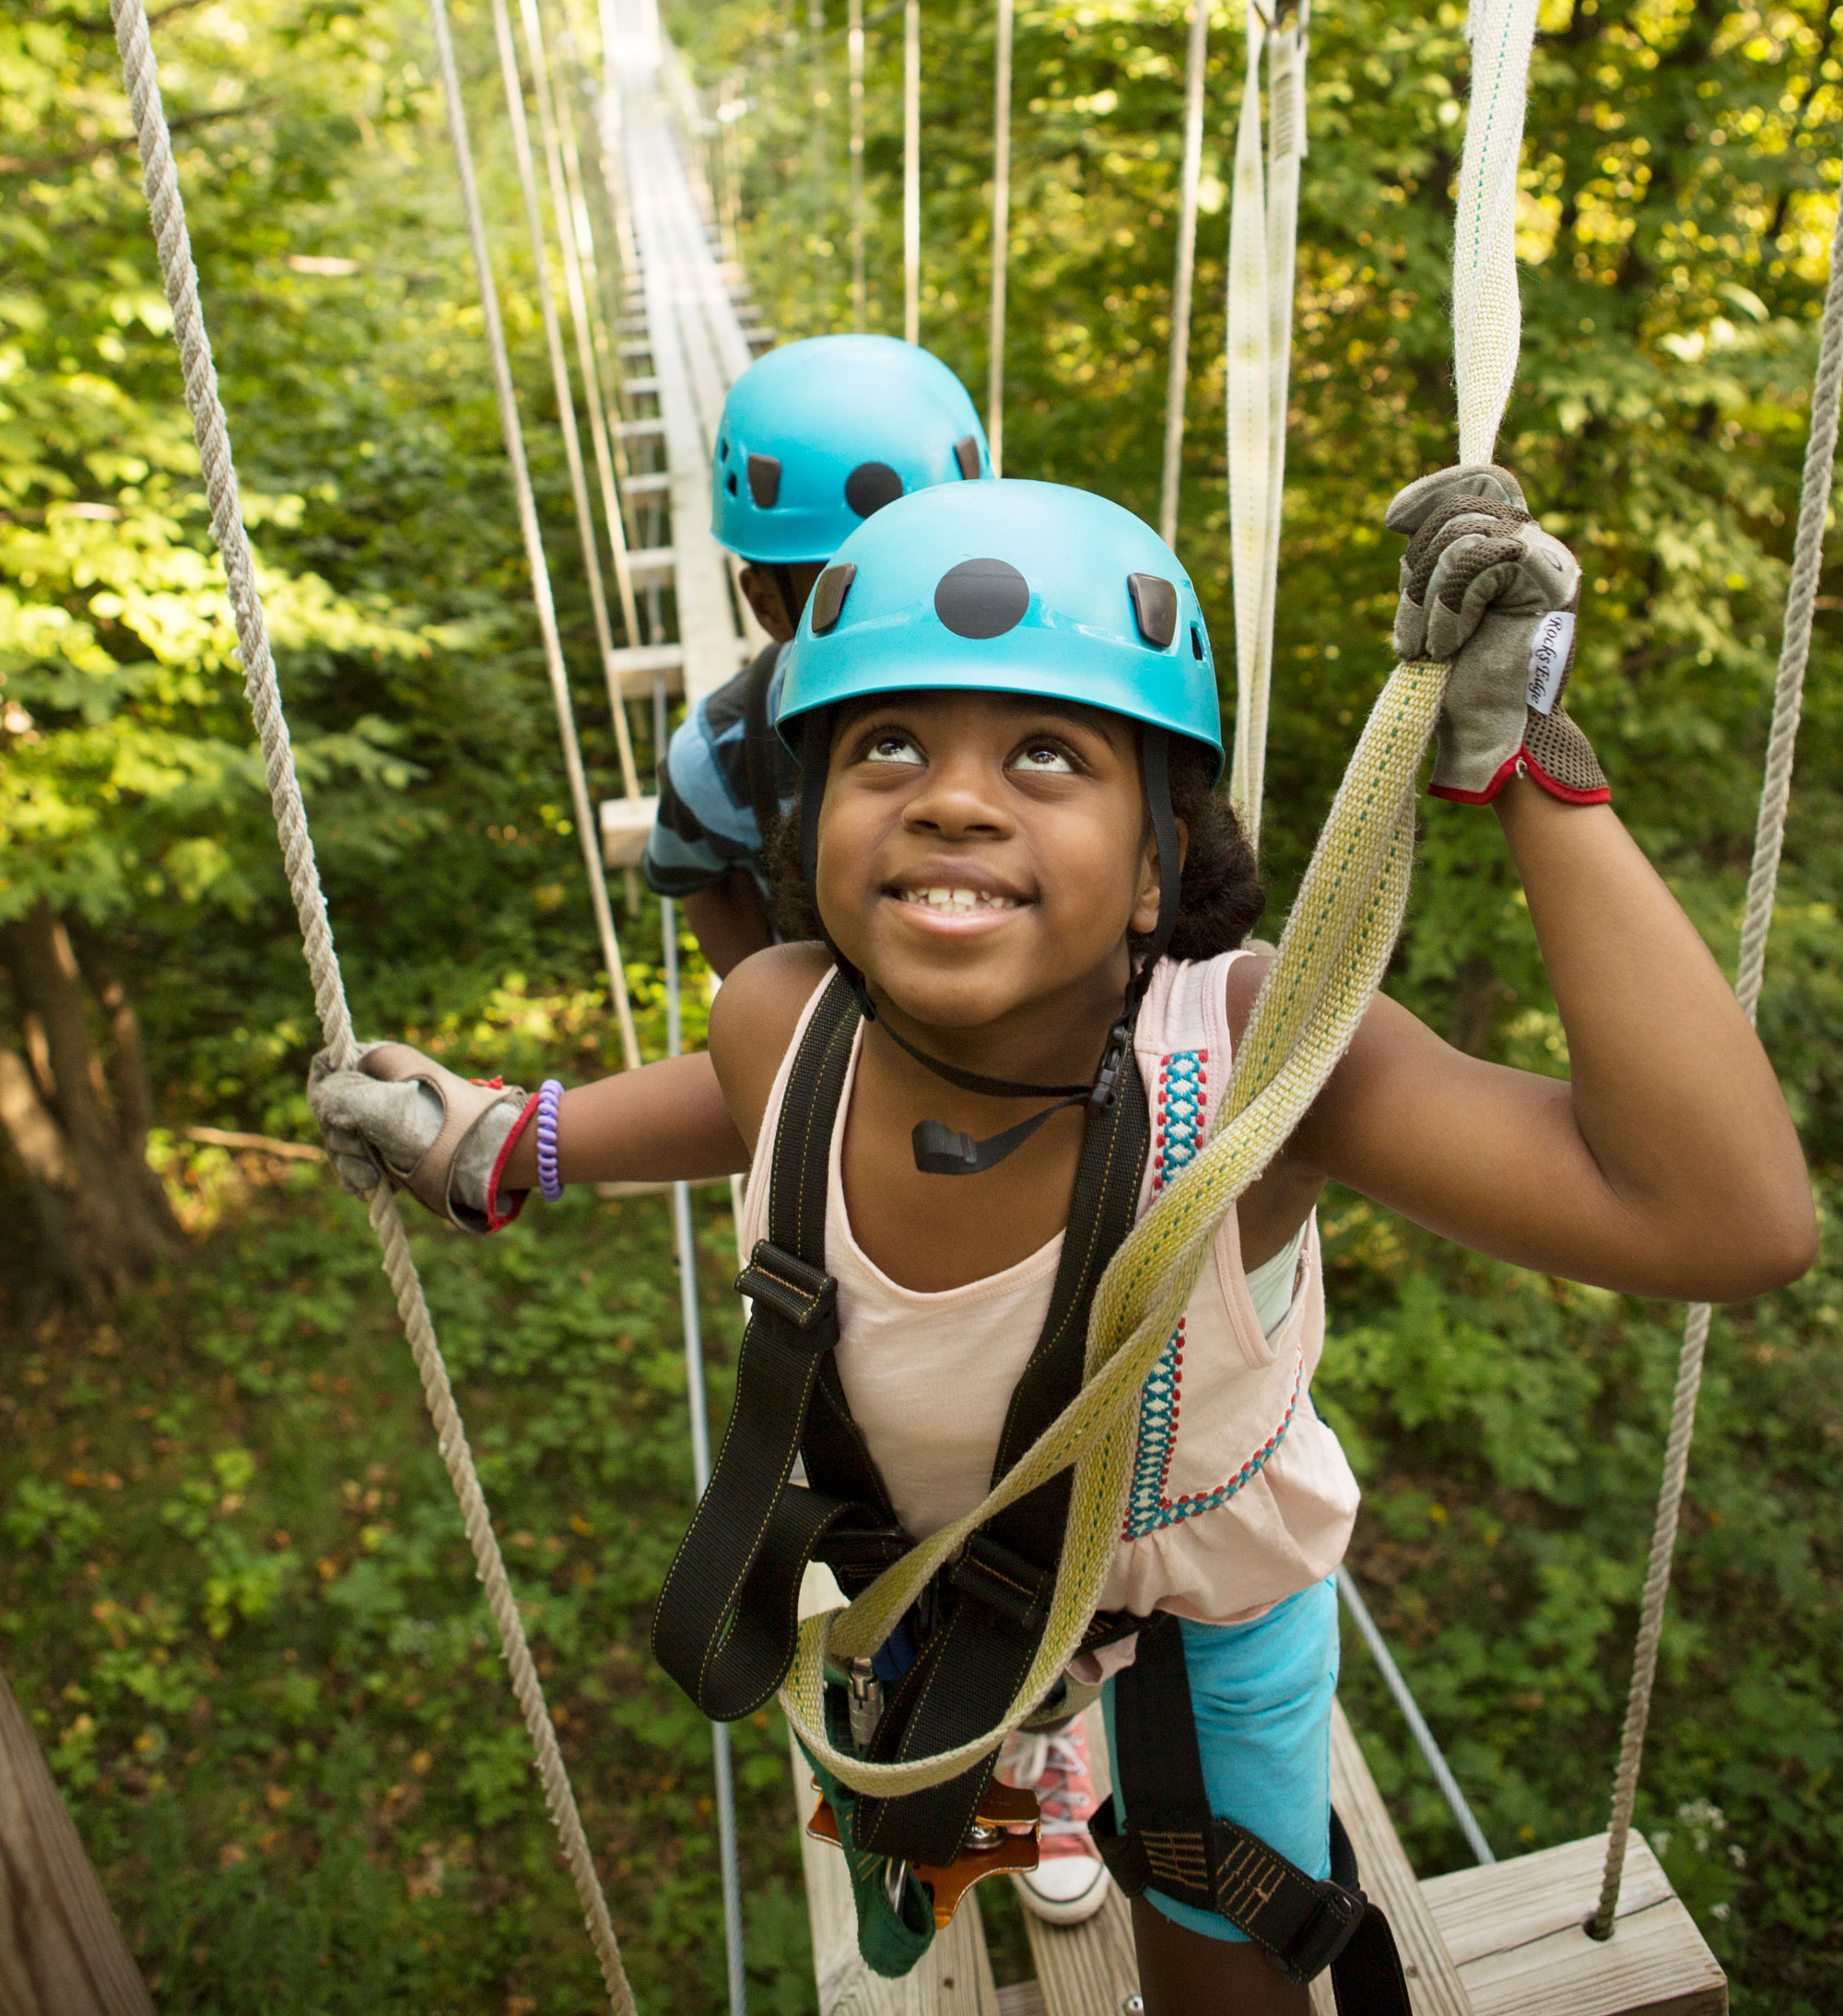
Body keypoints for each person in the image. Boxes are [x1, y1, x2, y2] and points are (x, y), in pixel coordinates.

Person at [312, 472, 1814, 2014]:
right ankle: (971, 1793)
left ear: (1160, 865)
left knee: (1227, 1948)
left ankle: (1043, 1792)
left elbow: (1721, 1219)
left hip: (1201, 1602)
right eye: (887, 746)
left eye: (1047, 753)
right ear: (813, 831)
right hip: (932, 1577)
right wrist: (510, 1142)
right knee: (917, 1804)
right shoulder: (777, 1019)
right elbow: (742, 1107)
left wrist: (1528, 773)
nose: (953, 800)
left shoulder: (1261, 1058)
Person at [640, 333, 991, 978]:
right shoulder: (722, 760)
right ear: (767, 606)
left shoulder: (1056, 700)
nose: (899, 615)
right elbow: (701, 879)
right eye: (849, 589)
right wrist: (776, 1012)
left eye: (932, 568)